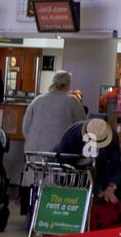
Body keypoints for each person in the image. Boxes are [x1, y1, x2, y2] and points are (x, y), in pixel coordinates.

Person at [21, 70, 88, 214]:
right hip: (60, 153)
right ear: (68, 84)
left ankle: (33, 217)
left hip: (35, 150)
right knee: (56, 186)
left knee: (37, 183)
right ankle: (53, 216)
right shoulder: (72, 101)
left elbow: (25, 128)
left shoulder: (37, 100)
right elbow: (82, 129)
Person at [54, 117, 121, 206]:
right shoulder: (73, 134)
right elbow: (62, 161)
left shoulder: (112, 137)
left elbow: (116, 164)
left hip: (96, 172)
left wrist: (111, 187)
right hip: (70, 171)